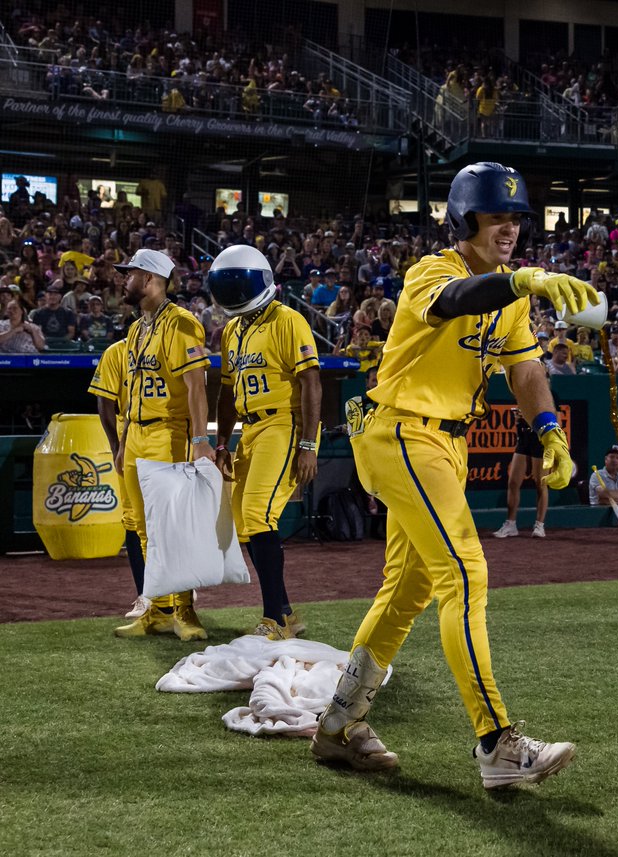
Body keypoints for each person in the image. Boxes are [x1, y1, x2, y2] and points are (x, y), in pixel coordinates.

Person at [311, 162, 588, 789]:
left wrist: (548, 429)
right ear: (465, 220)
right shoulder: (433, 271)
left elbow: (525, 372)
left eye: (517, 218)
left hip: (443, 445)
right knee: (465, 571)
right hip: (402, 432)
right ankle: (498, 744)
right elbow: (458, 300)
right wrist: (520, 281)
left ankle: (338, 725)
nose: (510, 228)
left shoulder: (510, 292)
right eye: (497, 217)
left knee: (407, 593)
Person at [208, 245, 322, 640]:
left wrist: (308, 445)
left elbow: (311, 382)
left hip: (284, 424)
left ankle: (274, 619)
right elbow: (226, 391)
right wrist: (221, 443)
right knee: (244, 522)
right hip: (250, 429)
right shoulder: (232, 331)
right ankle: (285, 613)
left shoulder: (289, 320)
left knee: (259, 514)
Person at [110, 249, 213, 641]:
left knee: (172, 528)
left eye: (130, 273)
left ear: (151, 279)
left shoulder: (183, 324)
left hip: (166, 433)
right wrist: (122, 443)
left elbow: (196, 386)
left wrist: (201, 439)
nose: (124, 280)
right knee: (141, 529)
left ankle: (185, 611)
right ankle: (157, 608)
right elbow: (131, 390)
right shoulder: (137, 328)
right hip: (135, 434)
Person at [88, 337, 148, 619]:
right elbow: (105, 400)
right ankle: (145, 594)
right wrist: (115, 445)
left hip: (171, 431)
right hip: (131, 434)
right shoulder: (117, 352)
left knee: (169, 516)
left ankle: (178, 591)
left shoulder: (172, 342)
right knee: (134, 518)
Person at [494, 412, 549, 539]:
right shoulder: (522, 397)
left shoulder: (550, 397)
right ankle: (511, 525)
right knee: (513, 483)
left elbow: (556, 421)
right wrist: (519, 418)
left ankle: (539, 525)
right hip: (524, 439)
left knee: (541, 483)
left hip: (540, 440)